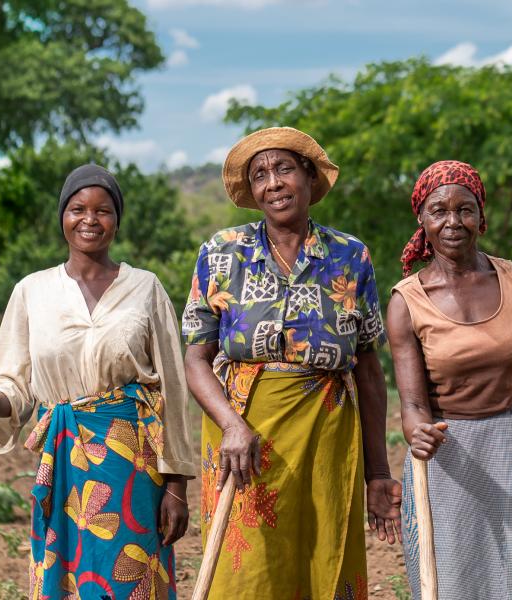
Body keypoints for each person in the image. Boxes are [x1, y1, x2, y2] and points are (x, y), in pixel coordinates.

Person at [180, 127, 399, 598]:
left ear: (308, 176)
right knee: (248, 570)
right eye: (260, 175)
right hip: (243, 431)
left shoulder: (349, 256)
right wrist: (232, 425)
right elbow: (196, 359)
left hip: (327, 434)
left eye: (283, 169)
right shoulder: (222, 253)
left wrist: (378, 472)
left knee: (323, 556)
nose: (273, 183)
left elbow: (369, 369)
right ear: (253, 192)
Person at [0, 165, 195, 599]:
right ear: (62, 218)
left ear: (117, 221)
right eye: (77, 209)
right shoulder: (33, 290)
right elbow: (16, 382)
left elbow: (174, 391)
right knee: (66, 579)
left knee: (130, 576)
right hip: (63, 460)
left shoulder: (145, 288)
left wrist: (176, 487)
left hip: (133, 460)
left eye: (103, 210)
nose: (90, 219)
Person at [389, 160, 512, 599]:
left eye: (465, 209)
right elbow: (413, 407)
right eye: (439, 211)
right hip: (448, 457)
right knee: (452, 580)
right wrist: (418, 435)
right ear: (422, 219)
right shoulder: (407, 302)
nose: (453, 222)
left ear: (481, 215)